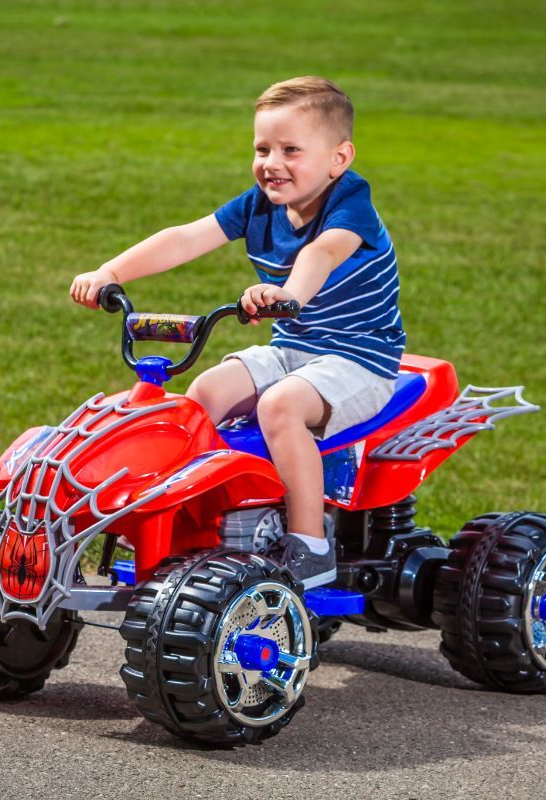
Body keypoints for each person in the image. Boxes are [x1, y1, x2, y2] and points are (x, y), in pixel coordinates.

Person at [69, 76, 404, 589]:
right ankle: (197, 518)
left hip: (360, 358)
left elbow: (324, 252)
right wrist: (110, 272)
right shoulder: (258, 204)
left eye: (291, 149)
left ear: (339, 158)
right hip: (295, 348)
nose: (272, 162)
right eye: (263, 148)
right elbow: (186, 237)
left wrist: (289, 293)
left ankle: (311, 544)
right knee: (203, 391)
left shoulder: (350, 203)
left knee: (280, 406)